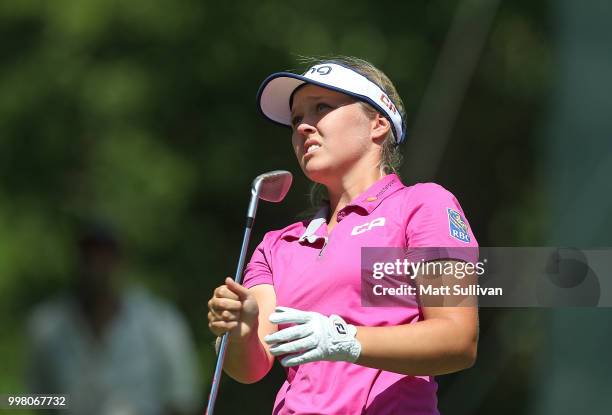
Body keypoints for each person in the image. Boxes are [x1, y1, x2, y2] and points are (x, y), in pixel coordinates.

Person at [207, 56, 479, 414]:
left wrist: (344, 339)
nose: (303, 127)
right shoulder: (278, 245)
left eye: (321, 107)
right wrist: (240, 329)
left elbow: (458, 339)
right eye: (296, 119)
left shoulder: (423, 205)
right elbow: (252, 367)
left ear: (378, 124)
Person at [28, 222, 201, 415]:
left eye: (105, 257)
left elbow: (182, 399)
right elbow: (38, 400)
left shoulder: (161, 321)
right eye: (89, 257)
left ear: (120, 262)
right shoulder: (47, 326)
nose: (97, 267)